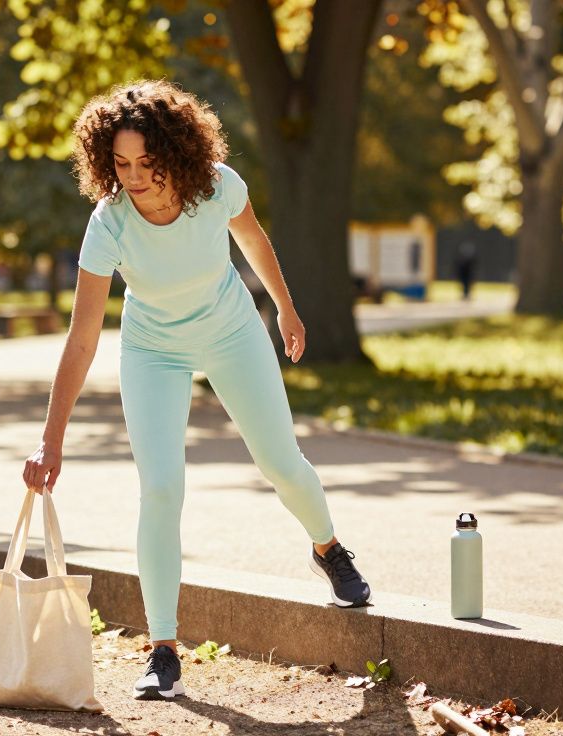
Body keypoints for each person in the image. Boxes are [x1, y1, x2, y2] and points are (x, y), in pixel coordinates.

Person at [21, 79, 370, 702]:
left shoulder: (214, 187)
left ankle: (329, 547)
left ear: (176, 152)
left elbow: (253, 240)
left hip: (232, 331)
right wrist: (51, 441)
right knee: (160, 489)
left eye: (146, 162)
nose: (133, 177)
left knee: (281, 463)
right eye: (120, 163)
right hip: (152, 348)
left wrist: (285, 309)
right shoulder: (109, 224)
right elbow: (82, 339)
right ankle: (163, 649)